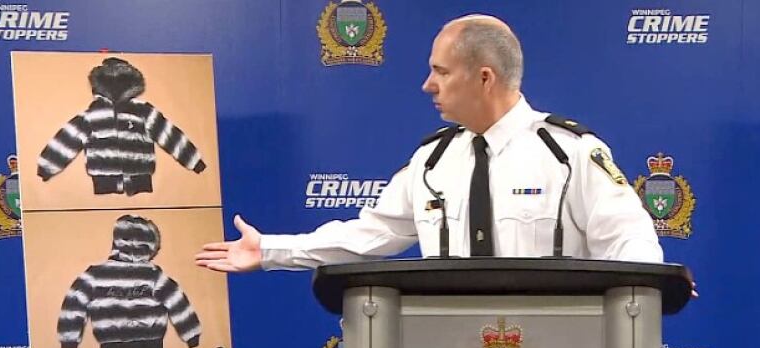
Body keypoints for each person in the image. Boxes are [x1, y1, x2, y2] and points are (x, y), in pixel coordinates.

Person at [195, 14, 662, 274]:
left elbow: (631, 241)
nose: (427, 85)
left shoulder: (571, 154)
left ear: (484, 77)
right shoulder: (432, 162)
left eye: (440, 72)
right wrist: (270, 250)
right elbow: (368, 236)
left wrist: (651, 285)